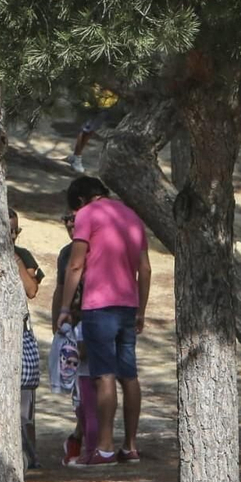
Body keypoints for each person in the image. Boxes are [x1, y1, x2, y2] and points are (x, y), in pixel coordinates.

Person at [56, 176, 151, 466]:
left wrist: (64, 308)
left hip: (99, 305)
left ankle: (105, 448)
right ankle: (130, 446)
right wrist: (141, 309)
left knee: (104, 375)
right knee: (129, 375)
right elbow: (145, 268)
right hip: (128, 305)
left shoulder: (87, 214)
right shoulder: (132, 215)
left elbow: (76, 264)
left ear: (80, 201)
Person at [51, 209, 95, 465]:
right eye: (66, 220)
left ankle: (90, 442)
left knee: (96, 386)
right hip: (74, 327)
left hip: (98, 322)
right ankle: (81, 440)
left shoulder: (97, 250)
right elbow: (60, 288)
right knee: (80, 388)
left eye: (75, 219)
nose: (70, 224)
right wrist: (57, 320)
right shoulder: (66, 253)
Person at [10, 209, 45, 469]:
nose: (11, 236)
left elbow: (31, 289)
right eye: (7, 230)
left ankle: (30, 457)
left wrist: (17, 262)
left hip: (20, 333)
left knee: (25, 406)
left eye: (15, 231)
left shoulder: (22, 255)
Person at [69, 85, 120, 175]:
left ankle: (75, 156)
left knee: (90, 131)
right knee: (84, 130)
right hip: (93, 102)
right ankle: (77, 158)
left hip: (106, 103)